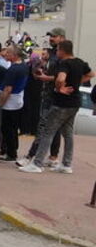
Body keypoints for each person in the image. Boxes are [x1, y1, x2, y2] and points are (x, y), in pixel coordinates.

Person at [19, 40, 93, 174]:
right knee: (68, 133)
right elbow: (91, 74)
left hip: (61, 103)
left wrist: (60, 88)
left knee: (48, 131)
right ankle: (66, 164)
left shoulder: (64, 63)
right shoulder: (80, 62)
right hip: (75, 103)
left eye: (58, 50)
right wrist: (76, 83)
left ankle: (37, 163)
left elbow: (60, 79)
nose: (56, 52)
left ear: (63, 51)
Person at [19, 29, 67, 167]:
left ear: (62, 38)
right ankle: (53, 157)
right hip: (47, 94)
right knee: (53, 128)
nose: (51, 38)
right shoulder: (52, 54)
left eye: (54, 36)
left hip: (54, 96)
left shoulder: (63, 56)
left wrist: (48, 78)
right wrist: (40, 72)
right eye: (50, 36)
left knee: (44, 128)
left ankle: (31, 157)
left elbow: (62, 76)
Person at [0, 45, 30, 162]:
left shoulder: (13, 70)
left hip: (10, 102)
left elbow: (7, 89)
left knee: (7, 128)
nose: (5, 54)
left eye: (8, 53)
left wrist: (0, 103)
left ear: (14, 55)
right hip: (19, 100)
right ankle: (12, 150)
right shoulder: (24, 67)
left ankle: (11, 153)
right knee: (13, 128)